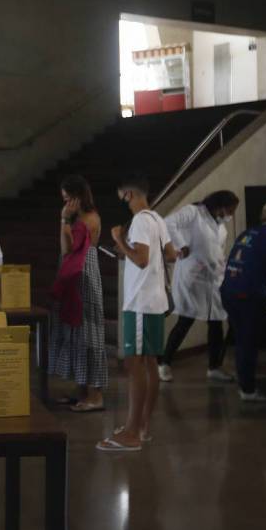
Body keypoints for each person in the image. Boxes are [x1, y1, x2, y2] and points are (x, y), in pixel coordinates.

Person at [97, 173, 176, 452]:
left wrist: (119, 240)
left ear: (128, 194)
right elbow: (170, 254)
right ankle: (142, 427)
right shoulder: (157, 218)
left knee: (134, 365)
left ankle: (130, 433)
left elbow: (142, 260)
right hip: (154, 301)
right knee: (150, 364)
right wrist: (125, 250)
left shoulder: (141, 220)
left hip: (140, 303)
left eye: (122, 198)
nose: (123, 203)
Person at [158, 190, 241, 384]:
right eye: (230, 210)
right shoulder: (194, 212)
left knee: (216, 321)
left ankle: (214, 367)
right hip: (192, 278)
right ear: (219, 205)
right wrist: (181, 245)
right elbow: (168, 223)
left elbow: (217, 252)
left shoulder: (221, 227)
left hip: (212, 279)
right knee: (186, 319)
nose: (230, 215)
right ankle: (164, 364)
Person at [220, 201, 266, 402]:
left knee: (242, 340)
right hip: (247, 297)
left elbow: (253, 269)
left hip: (228, 293)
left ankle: (245, 382)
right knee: (248, 342)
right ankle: (248, 390)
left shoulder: (246, 234)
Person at [49, 175, 107, 412]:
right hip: (71, 270)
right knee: (74, 331)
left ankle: (95, 394)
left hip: (83, 272)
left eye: (68, 198)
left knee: (87, 331)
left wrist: (63, 220)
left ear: (79, 197)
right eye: (64, 200)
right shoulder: (75, 217)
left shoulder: (90, 218)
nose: (66, 203)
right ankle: (81, 389)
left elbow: (69, 248)